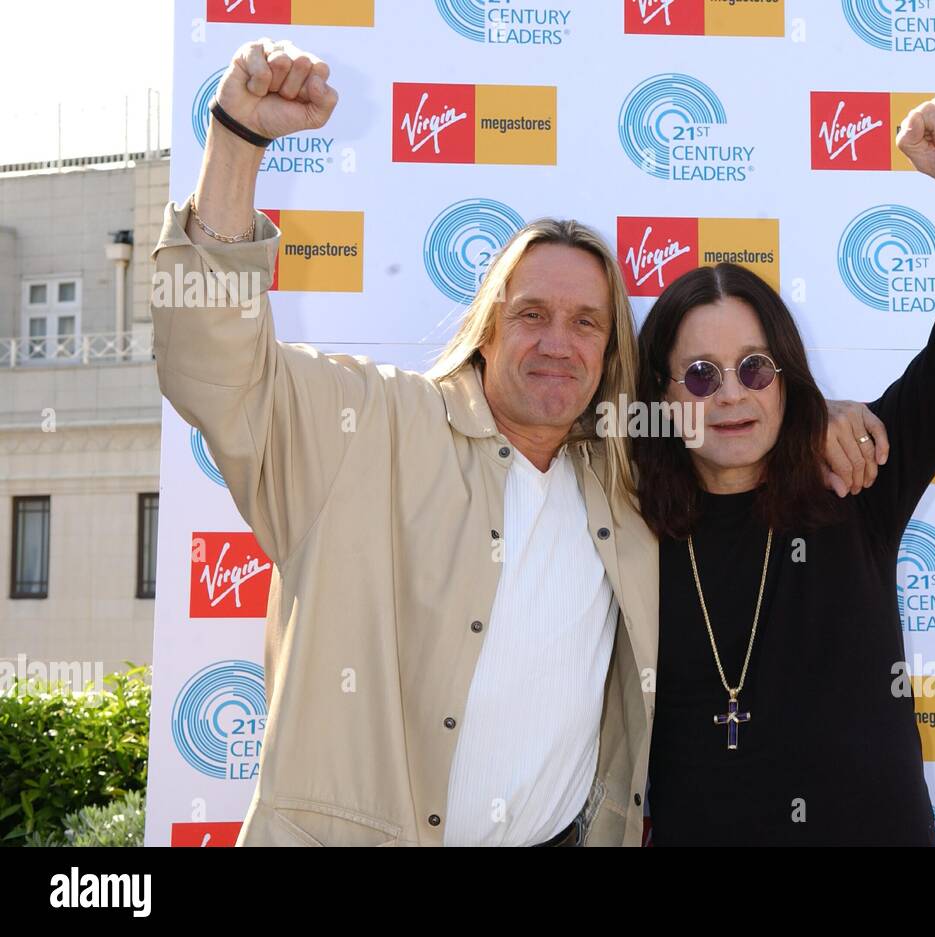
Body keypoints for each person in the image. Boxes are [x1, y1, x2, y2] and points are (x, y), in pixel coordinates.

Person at [152, 37, 886, 846]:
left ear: (611, 355)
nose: (557, 343)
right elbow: (214, 371)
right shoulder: (368, 426)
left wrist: (823, 415)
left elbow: (737, 423)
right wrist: (236, 143)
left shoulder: (625, 477)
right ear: (487, 330)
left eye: (586, 323)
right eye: (532, 313)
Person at [633, 84, 935, 845]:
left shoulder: (856, 479)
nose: (731, 396)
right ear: (661, 391)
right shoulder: (621, 520)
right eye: (701, 374)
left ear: (787, 377)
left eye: (754, 368)